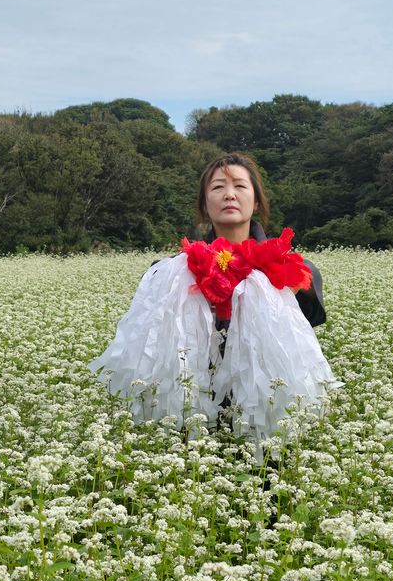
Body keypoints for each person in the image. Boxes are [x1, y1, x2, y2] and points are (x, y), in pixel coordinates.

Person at [89, 153, 338, 454]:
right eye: (218, 187)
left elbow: (307, 325)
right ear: (205, 204)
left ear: (256, 201)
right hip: (191, 430)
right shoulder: (171, 273)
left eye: (240, 186)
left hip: (266, 429)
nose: (229, 194)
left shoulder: (296, 272)